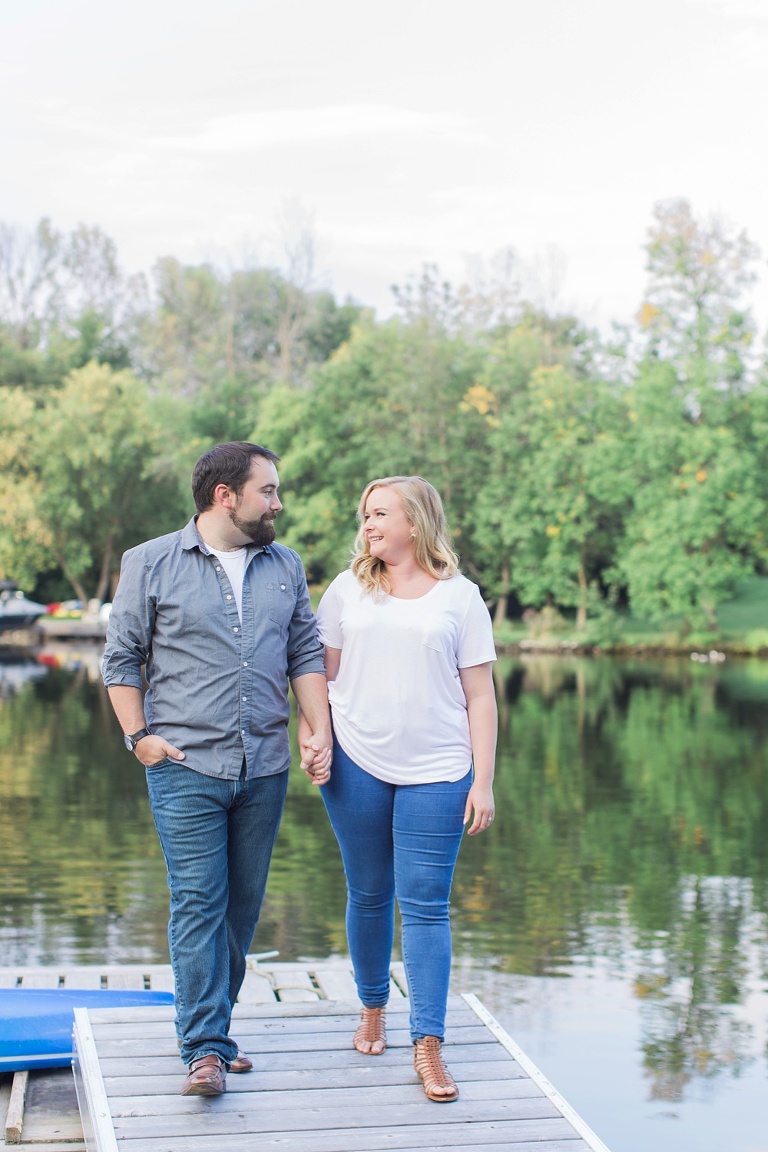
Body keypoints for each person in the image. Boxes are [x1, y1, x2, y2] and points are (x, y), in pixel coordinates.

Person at [102, 441, 332, 1097]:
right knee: (199, 902)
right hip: (184, 766)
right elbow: (121, 662)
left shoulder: (284, 564)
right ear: (225, 495)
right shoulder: (149, 563)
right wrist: (139, 738)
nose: (278, 503)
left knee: (240, 908)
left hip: (263, 766)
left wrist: (320, 730)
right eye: (269, 491)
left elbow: (304, 652)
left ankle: (214, 1034)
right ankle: (202, 1048)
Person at [305, 475, 497, 1103]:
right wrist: (317, 737)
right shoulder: (346, 591)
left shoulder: (462, 599)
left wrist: (485, 780)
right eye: (365, 514)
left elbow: (480, 696)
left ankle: (429, 1044)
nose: (368, 524)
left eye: (380, 513)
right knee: (368, 892)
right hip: (356, 763)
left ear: (415, 521)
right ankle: (370, 1007)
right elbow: (318, 678)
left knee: (425, 905)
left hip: (440, 772)